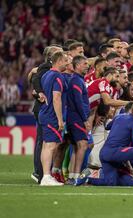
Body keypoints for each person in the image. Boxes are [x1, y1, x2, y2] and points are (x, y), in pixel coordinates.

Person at [75, 101, 133, 187]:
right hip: (115, 152)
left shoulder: (119, 117)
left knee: (112, 182)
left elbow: (108, 126)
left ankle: (87, 177)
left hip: (105, 153)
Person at [30, 45, 63, 183]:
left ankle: (44, 174)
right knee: (45, 142)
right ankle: (41, 173)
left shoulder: (49, 71)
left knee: (44, 142)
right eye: (58, 53)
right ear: (52, 56)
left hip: (45, 109)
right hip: (46, 109)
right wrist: (39, 92)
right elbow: (35, 79)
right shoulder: (46, 67)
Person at [38, 51, 70, 186]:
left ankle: (47, 175)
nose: (68, 63)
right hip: (52, 115)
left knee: (47, 145)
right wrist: (60, 119)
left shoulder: (46, 75)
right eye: (66, 60)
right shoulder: (58, 76)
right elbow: (56, 98)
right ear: (59, 61)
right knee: (50, 146)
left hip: (45, 112)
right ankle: (46, 176)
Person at [66, 55, 92, 180]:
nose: (87, 66)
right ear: (77, 66)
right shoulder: (76, 80)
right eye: (84, 64)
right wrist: (85, 119)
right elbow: (78, 101)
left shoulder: (78, 80)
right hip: (76, 118)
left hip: (74, 117)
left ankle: (72, 175)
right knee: (83, 144)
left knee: (77, 146)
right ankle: (77, 176)